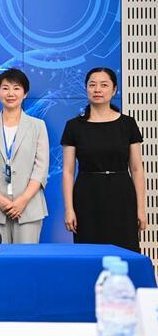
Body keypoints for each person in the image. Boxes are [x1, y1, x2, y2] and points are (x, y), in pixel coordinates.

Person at [61, 67, 146, 252]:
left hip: (122, 194)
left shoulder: (128, 124)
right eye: (92, 85)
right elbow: (68, 171)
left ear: (114, 90)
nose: (97, 89)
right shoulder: (74, 126)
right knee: (88, 253)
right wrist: (69, 209)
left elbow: (137, 168)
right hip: (87, 196)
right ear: (86, 89)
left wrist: (140, 208)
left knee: (125, 251)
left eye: (104, 85)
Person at [0, 68, 49, 244]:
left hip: (29, 208)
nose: (10, 93)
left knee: (27, 258)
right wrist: (0, 200)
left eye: (16, 88)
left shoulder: (38, 126)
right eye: (5, 88)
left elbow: (41, 168)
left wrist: (23, 200)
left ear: (25, 93)